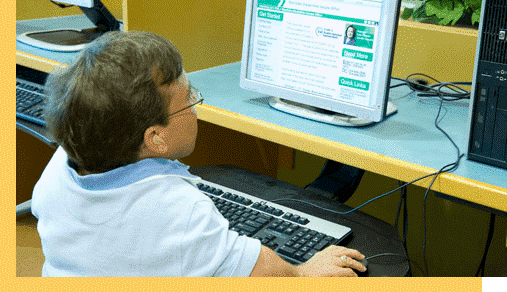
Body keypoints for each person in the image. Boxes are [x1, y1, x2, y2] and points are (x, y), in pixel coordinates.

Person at [32, 30, 367, 277]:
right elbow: (252, 266)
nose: (195, 108)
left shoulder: (58, 168)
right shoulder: (178, 209)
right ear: (155, 137)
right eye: (189, 99)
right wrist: (304, 274)